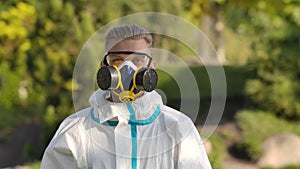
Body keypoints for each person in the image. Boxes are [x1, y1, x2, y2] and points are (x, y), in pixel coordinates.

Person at [41, 24, 212, 169]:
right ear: (104, 67)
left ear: (151, 67)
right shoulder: (75, 132)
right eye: (117, 60)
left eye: (137, 60)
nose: (127, 68)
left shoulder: (178, 128)